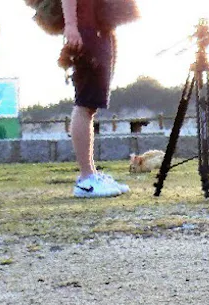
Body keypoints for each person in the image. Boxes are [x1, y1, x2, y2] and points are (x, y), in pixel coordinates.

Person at [62, 0, 130, 198]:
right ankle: (86, 179)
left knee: (91, 106)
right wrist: (72, 26)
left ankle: (91, 173)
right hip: (86, 31)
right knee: (85, 102)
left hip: (101, 29)